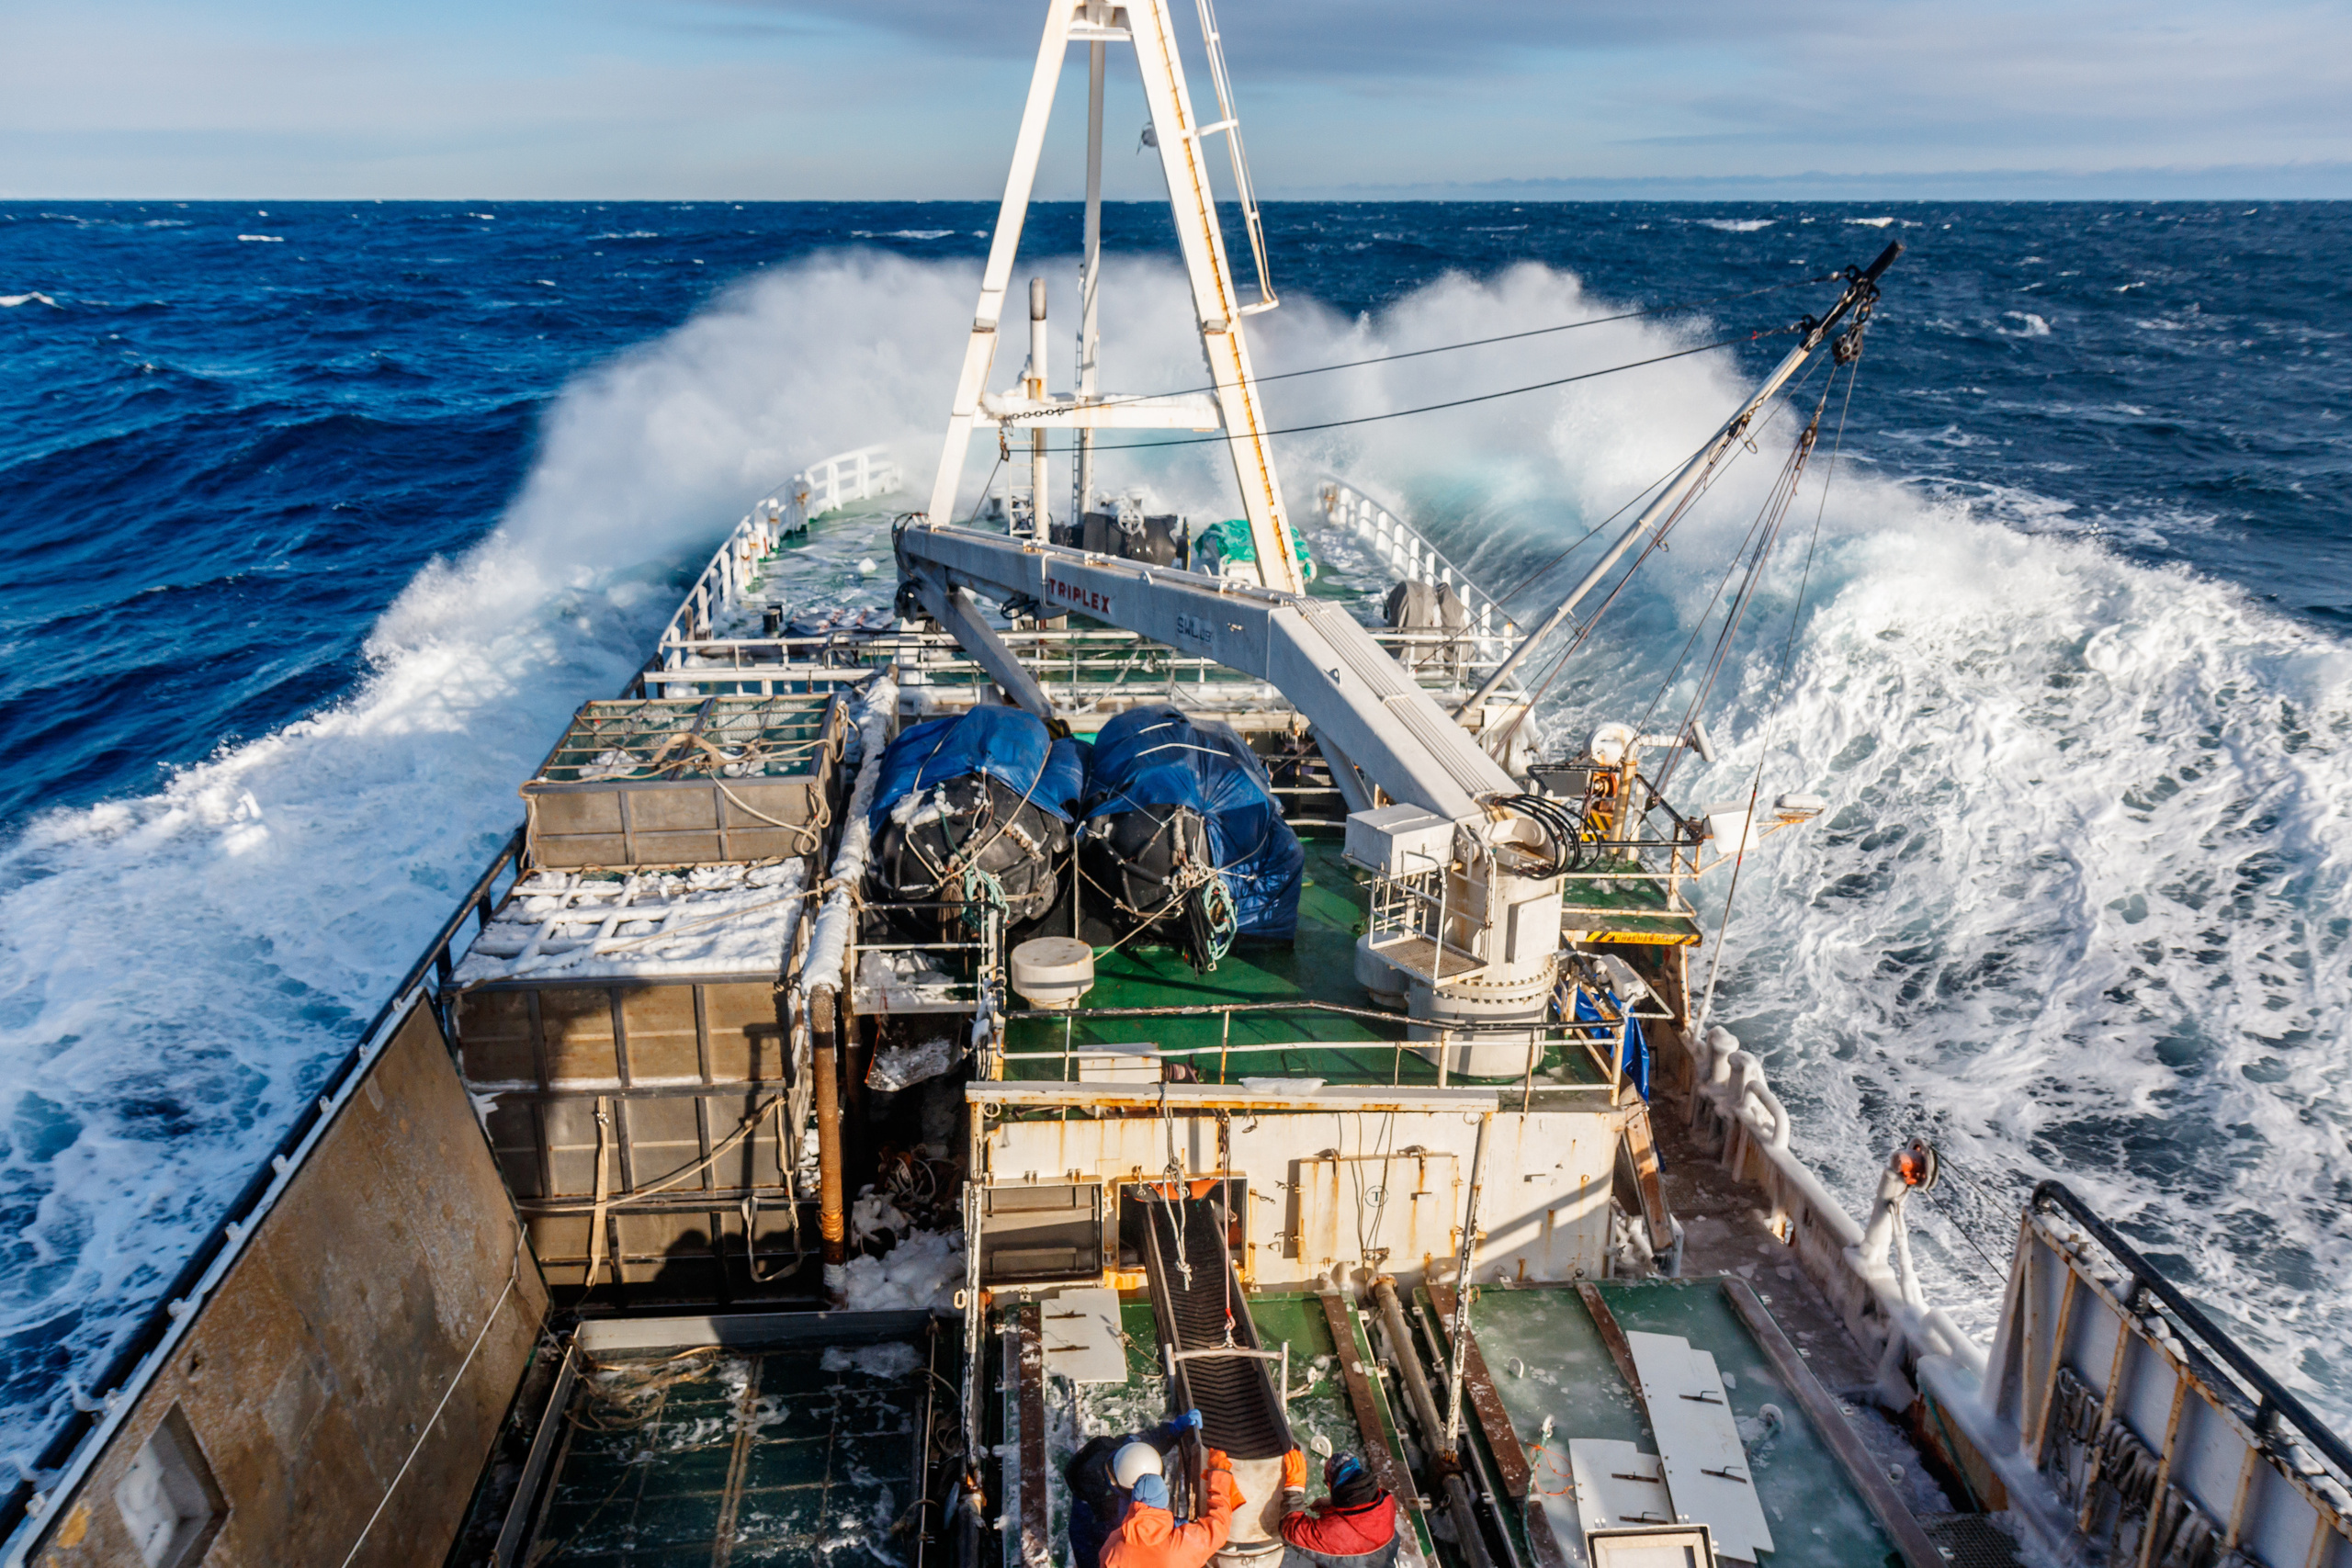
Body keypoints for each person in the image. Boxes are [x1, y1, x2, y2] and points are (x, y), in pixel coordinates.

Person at [1065, 1410, 1203, 1568]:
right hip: (1095, 1535)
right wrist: (1175, 1525)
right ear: (1129, 1489)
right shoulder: (1103, 1501)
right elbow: (1081, 1536)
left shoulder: (1132, 1451)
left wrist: (1176, 1429)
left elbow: (1154, 1440)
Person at [1100, 1447, 1244, 1568]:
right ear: (1164, 1500)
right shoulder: (1182, 1545)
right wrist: (1220, 1475)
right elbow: (1218, 1527)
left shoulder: (1114, 1542)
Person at [1275, 1450, 1399, 1568]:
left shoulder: (1333, 1535)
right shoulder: (1384, 1502)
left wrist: (1294, 1487)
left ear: (1330, 1484)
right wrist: (1332, 1505)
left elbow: (1291, 1529)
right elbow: (1362, 1521)